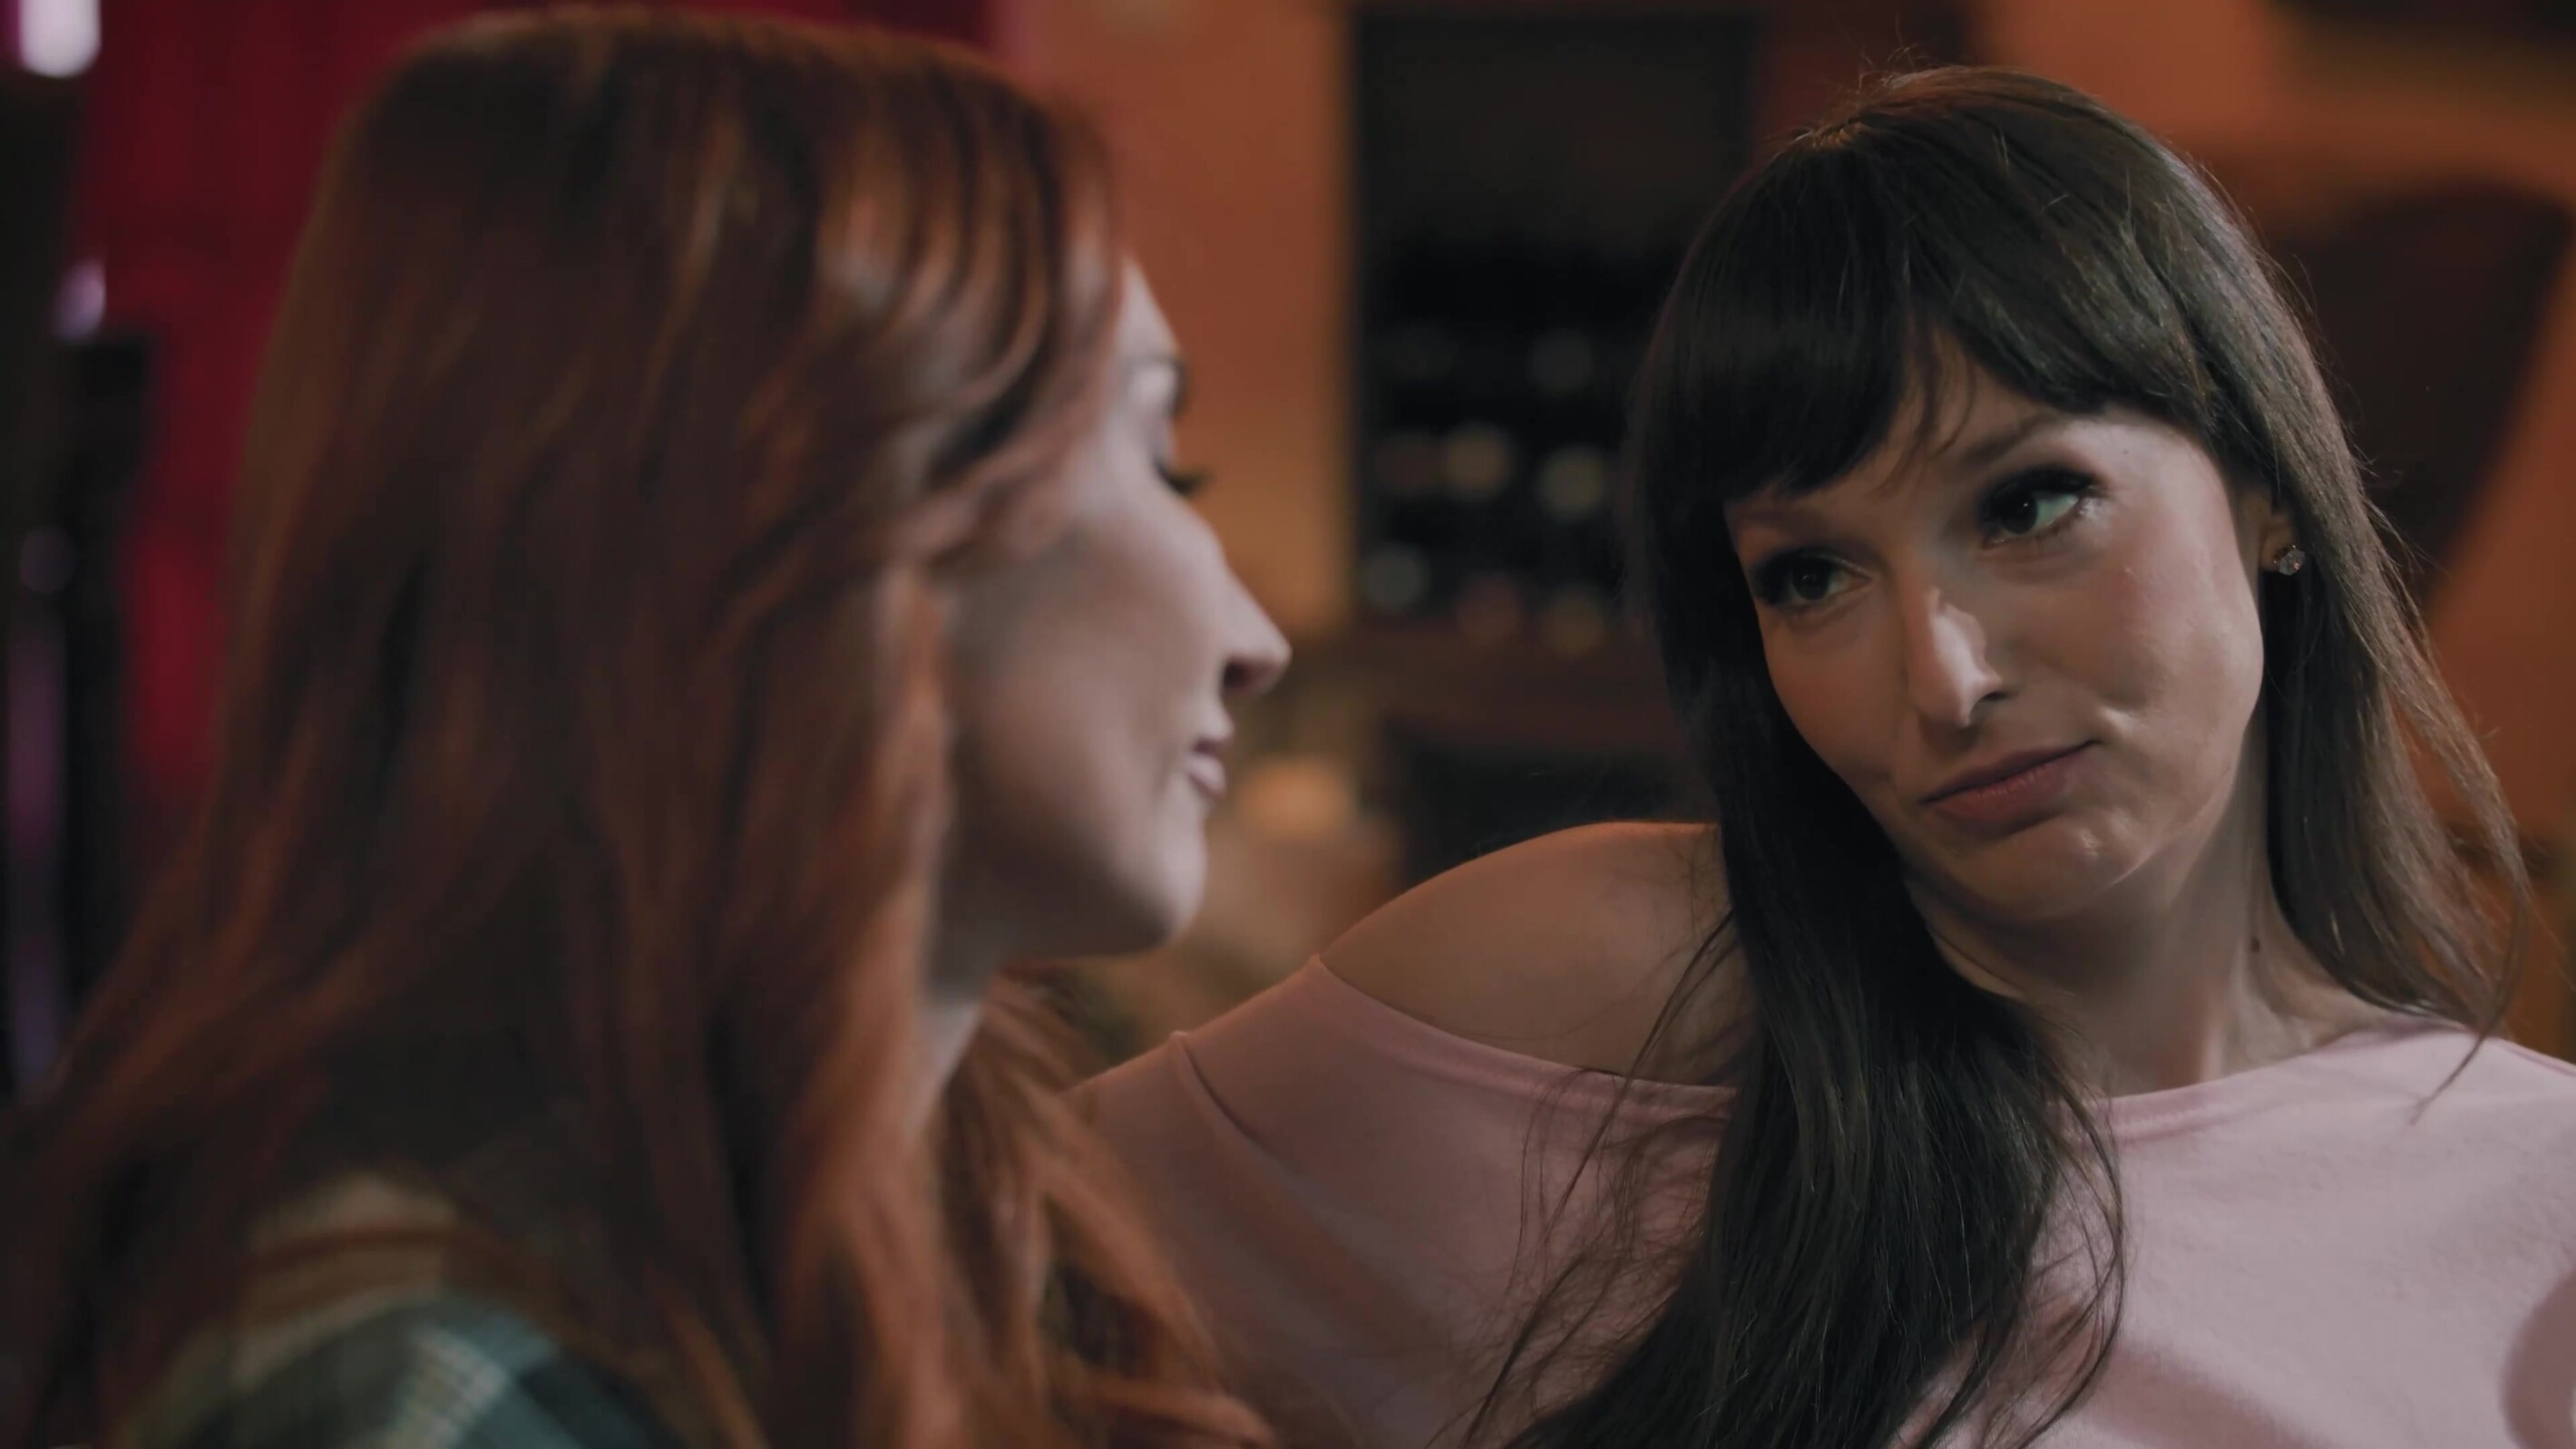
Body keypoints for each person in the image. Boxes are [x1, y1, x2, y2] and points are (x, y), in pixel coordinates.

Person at [1084, 66, 2576, 1448]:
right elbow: (965, 1235)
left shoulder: (2533, 1203)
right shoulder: (1620, 986)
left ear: (2270, 490)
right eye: (1810, 577)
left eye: (2029, 505)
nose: (1944, 678)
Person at [0, 11, 1287, 1449]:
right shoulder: (428, 1404)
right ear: (831, 530)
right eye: (1160, 460)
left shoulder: (901, 1215)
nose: (1257, 640)